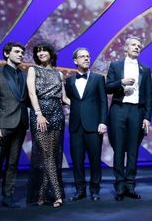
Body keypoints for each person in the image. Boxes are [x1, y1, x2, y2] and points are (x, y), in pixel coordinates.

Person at [0, 42, 29, 214]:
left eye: (22, 52)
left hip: (20, 124)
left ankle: (8, 197)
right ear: (6, 53)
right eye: (17, 52)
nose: (21, 55)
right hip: (2, 125)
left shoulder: (24, 76)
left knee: (12, 163)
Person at [106, 36, 152, 201]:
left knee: (133, 150)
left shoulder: (144, 69)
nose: (136, 47)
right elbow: (107, 88)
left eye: (139, 46)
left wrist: (147, 117)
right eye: (133, 45)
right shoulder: (116, 65)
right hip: (119, 109)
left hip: (137, 111)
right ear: (125, 48)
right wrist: (121, 82)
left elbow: (148, 94)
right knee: (119, 148)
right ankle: (119, 185)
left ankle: (130, 185)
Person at [26, 42, 70, 208]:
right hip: (40, 115)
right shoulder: (33, 70)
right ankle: (58, 195)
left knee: (51, 155)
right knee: (47, 154)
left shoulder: (58, 74)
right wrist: (38, 114)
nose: (41, 53)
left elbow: (64, 98)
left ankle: (42, 195)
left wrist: (84, 106)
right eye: (38, 51)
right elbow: (31, 93)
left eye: (44, 50)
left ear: (51, 53)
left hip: (57, 114)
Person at [65, 48, 108, 202]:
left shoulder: (98, 78)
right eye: (82, 56)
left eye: (88, 56)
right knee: (77, 160)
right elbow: (71, 100)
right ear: (75, 61)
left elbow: (103, 102)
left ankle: (95, 190)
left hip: (94, 125)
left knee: (95, 160)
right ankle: (80, 190)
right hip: (76, 126)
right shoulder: (69, 81)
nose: (86, 58)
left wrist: (103, 122)